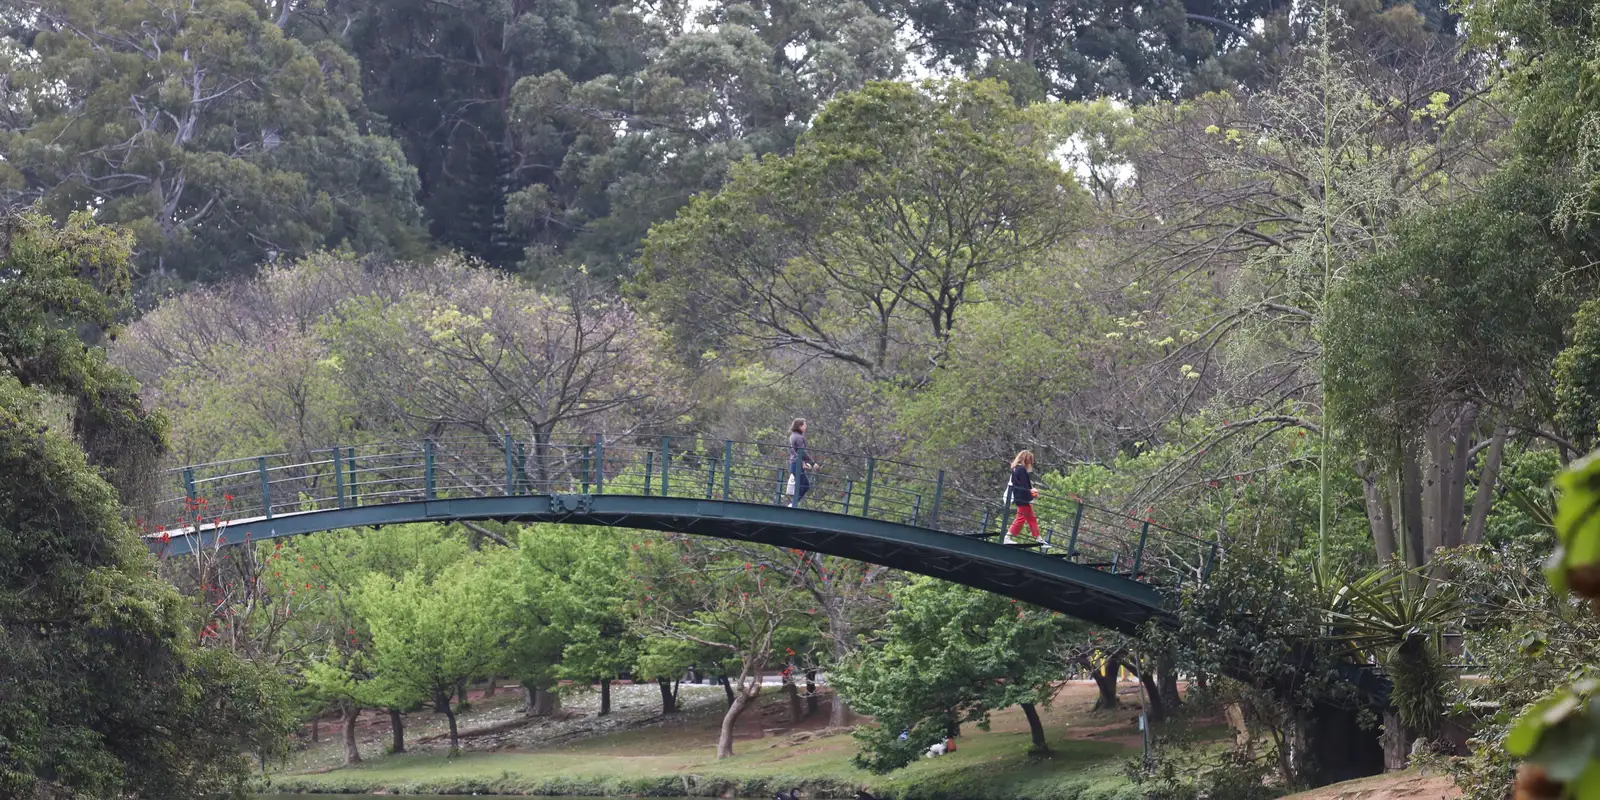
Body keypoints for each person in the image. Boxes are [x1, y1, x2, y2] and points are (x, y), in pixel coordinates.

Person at [1005, 450, 1041, 543]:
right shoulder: (1022, 470)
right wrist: (1031, 494)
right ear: (1027, 460)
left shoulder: (1015, 469)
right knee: (1021, 518)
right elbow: (1025, 486)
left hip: (1019, 497)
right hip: (1023, 498)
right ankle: (1007, 537)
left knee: (1031, 518)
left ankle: (1038, 538)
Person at [788, 418, 817, 508]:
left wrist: (803, 462)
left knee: (803, 485)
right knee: (803, 485)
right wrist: (812, 463)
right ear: (799, 426)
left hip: (794, 464)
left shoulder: (792, 436)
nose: (806, 426)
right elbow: (802, 452)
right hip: (797, 464)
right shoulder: (799, 438)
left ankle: (793, 504)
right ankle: (793, 505)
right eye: (804, 425)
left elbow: (794, 452)